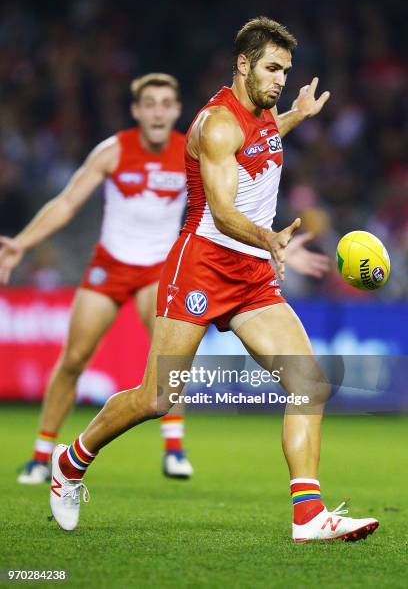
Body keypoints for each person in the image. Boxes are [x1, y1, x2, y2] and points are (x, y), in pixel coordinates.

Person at [45, 17, 379, 539]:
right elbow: (222, 213)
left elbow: (262, 138)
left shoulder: (264, 109)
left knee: (309, 384)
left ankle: (309, 517)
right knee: (157, 399)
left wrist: (293, 114)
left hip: (250, 277)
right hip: (201, 265)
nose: (280, 79)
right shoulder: (216, 124)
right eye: (271, 68)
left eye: (286, 71)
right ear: (242, 64)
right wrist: (268, 237)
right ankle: (70, 462)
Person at [0, 72, 329, 485]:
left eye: (165, 104)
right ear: (136, 111)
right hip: (121, 266)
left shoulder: (188, 145)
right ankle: (49, 454)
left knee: (294, 384)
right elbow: (67, 203)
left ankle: (181, 452)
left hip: (162, 270)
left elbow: (252, 147)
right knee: (89, 366)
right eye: (149, 104)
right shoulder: (114, 151)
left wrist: (295, 116)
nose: (157, 112)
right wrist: (22, 243)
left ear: (175, 111)